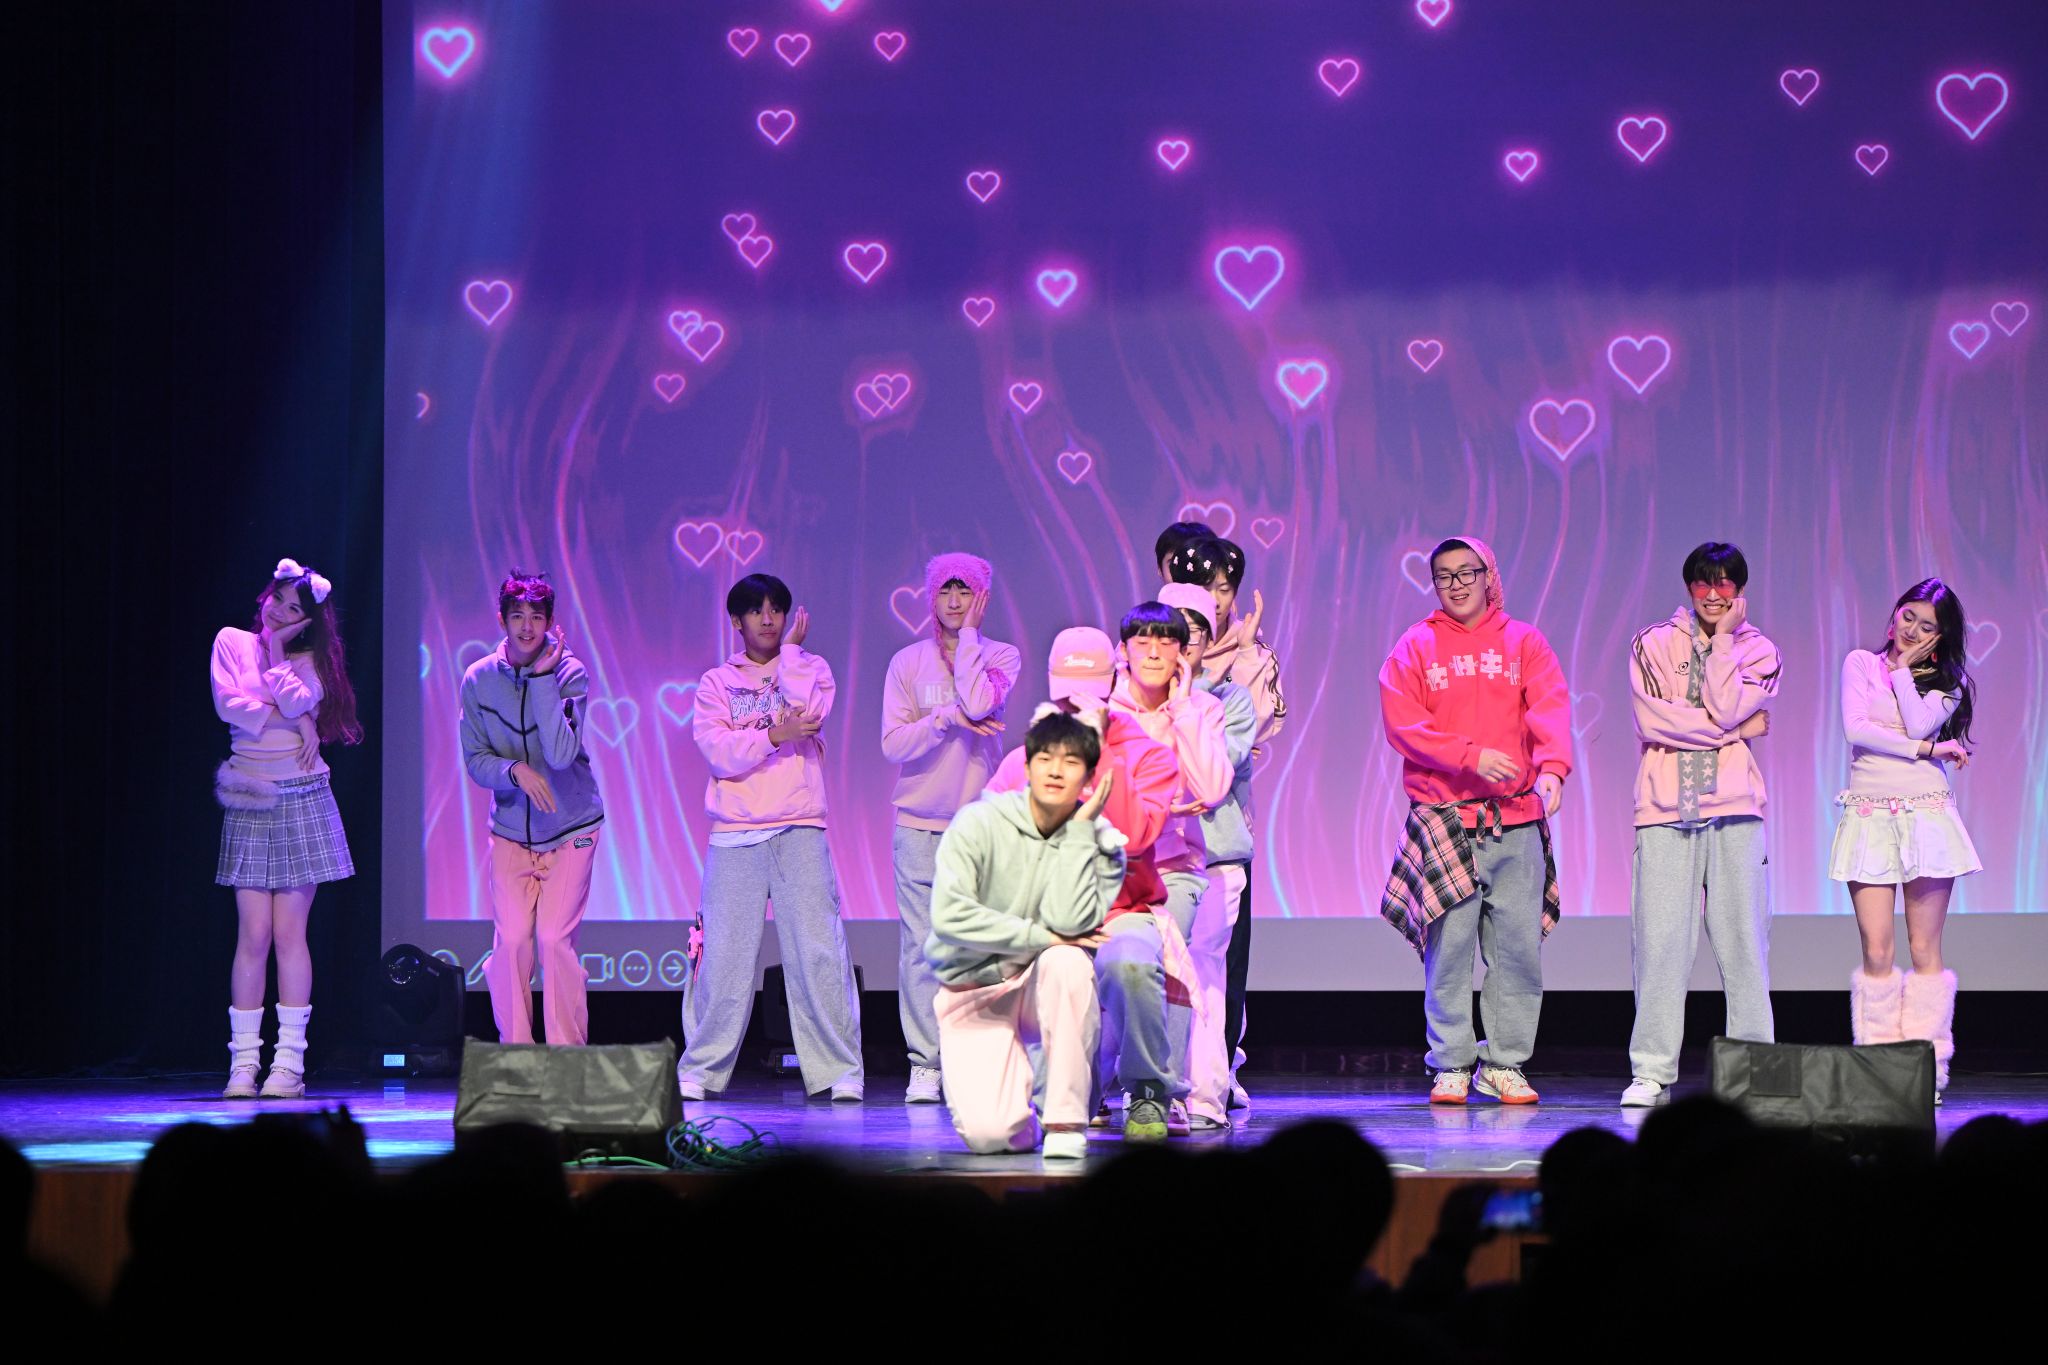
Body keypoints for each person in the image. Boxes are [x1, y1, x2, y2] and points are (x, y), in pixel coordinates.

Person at [1377, 536, 1571, 1105]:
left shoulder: (1523, 642)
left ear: (1490, 576)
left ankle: (1505, 1062)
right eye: (1444, 575)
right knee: (1449, 951)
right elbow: (1403, 725)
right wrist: (1469, 757)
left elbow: (1550, 707)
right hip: (1446, 819)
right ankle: (1452, 1063)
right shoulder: (1415, 646)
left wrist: (1553, 769)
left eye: (1467, 572)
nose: (1457, 584)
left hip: (1516, 819)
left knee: (1516, 952)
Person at [985, 628, 1180, 1141]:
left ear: (1111, 686)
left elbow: (1134, 836)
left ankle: (1147, 1092)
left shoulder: (1147, 755)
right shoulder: (1024, 759)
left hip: (1121, 913)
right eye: (1066, 697)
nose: (1074, 708)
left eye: (1085, 696)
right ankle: (1069, 1095)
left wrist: (1100, 758)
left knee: (1131, 963)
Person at [676, 574, 865, 1102]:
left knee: (818, 951)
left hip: (799, 824)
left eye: (776, 609)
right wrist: (774, 735)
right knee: (722, 957)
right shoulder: (717, 682)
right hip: (736, 833)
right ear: (736, 621)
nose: (768, 618)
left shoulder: (811, 667)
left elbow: (811, 715)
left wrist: (794, 656)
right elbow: (719, 753)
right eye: (756, 610)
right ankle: (702, 1068)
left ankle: (839, 1070)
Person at [1621, 543, 1781, 1106]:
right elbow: (1653, 721)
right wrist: (1735, 732)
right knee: (1660, 943)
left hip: (1735, 807)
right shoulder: (1651, 642)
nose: (1714, 594)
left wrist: (1724, 644)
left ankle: (1755, 1069)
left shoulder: (1759, 650)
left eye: (1725, 583)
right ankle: (1651, 1070)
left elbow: (1726, 702)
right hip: (1664, 808)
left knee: (1745, 943)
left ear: (1740, 589)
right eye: (1703, 583)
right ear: (1689, 587)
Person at [927, 711, 1127, 1157]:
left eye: (1071, 762)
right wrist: (1042, 937)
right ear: (1028, 766)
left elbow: (1070, 925)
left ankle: (1065, 1123)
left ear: (1089, 777)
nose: (1055, 771)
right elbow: (950, 916)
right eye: (1045, 759)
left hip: (1041, 984)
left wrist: (1079, 834)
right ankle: (1024, 1113)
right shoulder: (979, 822)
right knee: (992, 1136)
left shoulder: (1103, 845)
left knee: (1068, 961)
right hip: (974, 989)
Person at [210, 558, 363, 1098]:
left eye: (294, 608)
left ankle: (288, 1066)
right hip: (250, 793)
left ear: (308, 620)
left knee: (288, 933)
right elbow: (229, 707)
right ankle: (243, 1064)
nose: (279, 611)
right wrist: (297, 721)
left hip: (302, 795)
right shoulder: (230, 641)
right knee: (252, 934)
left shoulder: (312, 661)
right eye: (277, 599)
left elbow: (299, 698)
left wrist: (278, 654)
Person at [880, 553, 1022, 1104]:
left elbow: (981, 701)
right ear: (931, 597)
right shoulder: (906, 663)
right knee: (920, 950)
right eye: (945, 590)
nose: (956, 601)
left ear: (982, 598)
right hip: (917, 824)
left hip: (978, 827)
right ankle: (925, 1062)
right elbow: (894, 744)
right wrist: (945, 719)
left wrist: (969, 644)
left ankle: (976, 1059)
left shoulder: (999, 656)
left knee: (979, 948)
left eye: (967, 591)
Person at [1835, 578, 1979, 1099]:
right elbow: (1857, 731)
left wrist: (1902, 672)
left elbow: (1918, 722)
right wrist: (1930, 751)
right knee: (1876, 949)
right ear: (1895, 612)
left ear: (1941, 636)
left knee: (1923, 948)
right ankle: (1879, 1071)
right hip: (1869, 813)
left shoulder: (1948, 684)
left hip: (1926, 814)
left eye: (1927, 625)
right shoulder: (1859, 663)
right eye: (1908, 616)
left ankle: (1925, 1072)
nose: (1912, 629)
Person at [459, 570, 606, 1046]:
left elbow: (561, 755)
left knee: (553, 941)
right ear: (501, 619)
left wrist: (543, 678)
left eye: (536, 617)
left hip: (571, 827)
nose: (527, 626)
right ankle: (517, 1055)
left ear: (550, 622)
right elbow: (475, 759)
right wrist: (514, 771)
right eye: (517, 615)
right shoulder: (478, 679)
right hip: (510, 831)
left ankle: (566, 1060)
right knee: (511, 943)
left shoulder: (570, 673)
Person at [1168, 534, 1286, 1108]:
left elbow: (1247, 737)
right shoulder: (1145, 662)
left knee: (1217, 967)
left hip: (1220, 835)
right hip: (1155, 844)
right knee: (1150, 966)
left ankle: (1212, 1081)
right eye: (1202, 589)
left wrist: (1238, 655)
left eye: (1221, 590)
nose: (1213, 603)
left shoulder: (1242, 666)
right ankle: (1146, 1078)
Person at [1109, 601, 1233, 1131]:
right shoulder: (1104, 711)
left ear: (1183, 653)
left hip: (1174, 867)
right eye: (1143, 640)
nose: (1155, 651)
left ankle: (1159, 1091)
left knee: (1168, 964)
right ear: (1123, 651)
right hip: (1105, 869)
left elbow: (1212, 788)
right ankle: (1099, 1081)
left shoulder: (1202, 709)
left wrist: (1181, 708)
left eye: (1167, 641)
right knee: (1111, 971)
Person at [1156, 583, 1255, 1127]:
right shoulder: (1133, 698)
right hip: (1151, 859)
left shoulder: (1229, 700)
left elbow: (1215, 770)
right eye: (1173, 628)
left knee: (1204, 976)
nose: (1183, 639)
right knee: (1148, 976)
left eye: (1194, 628)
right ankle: (1147, 1089)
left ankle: (1204, 1095)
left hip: (1215, 858)